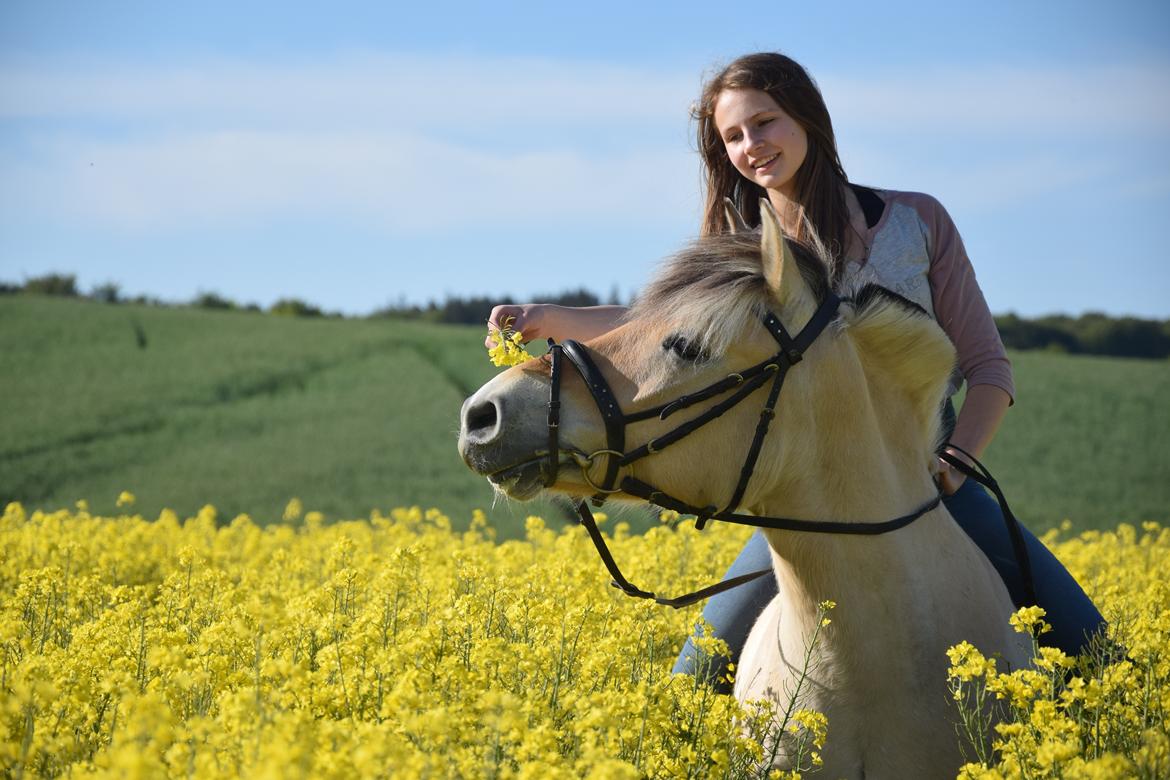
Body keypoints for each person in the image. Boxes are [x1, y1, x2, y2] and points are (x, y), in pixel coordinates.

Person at [487, 52, 1105, 691]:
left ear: (807, 118)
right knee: (692, 687)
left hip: (925, 478)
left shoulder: (918, 222)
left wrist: (956, 463)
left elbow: (990, 370)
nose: (751, 146)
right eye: (732, 136)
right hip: (802, 485)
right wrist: (544, 316)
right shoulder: (736, 254)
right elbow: (655, 330)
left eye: (765, 122)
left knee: (1095, 656)